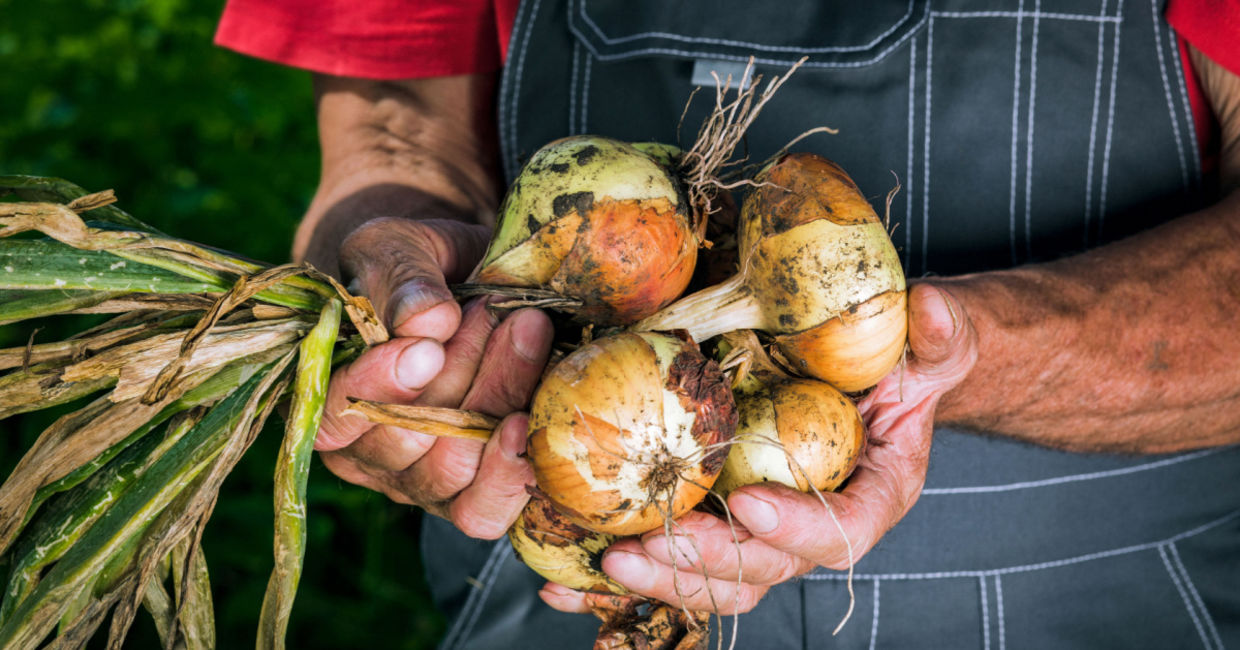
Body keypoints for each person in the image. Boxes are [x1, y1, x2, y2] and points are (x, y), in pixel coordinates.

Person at [216, 0, 1240, 646]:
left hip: (1096, 601)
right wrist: (388, 293)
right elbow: (394, 113)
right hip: (566, 562)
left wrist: (954, 352)